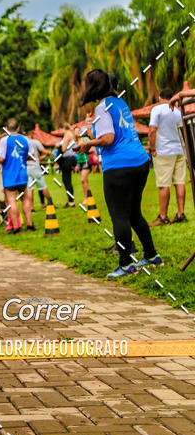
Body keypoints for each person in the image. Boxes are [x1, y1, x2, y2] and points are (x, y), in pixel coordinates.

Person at [78, 69, 162, 279]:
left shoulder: (102, 107)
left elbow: (108, 138)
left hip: (119, 166)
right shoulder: (120, 103)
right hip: (140, 162)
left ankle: (125, 264)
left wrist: (89, 144)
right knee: (134, 214)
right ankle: (151, 255)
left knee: (120, 217)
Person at [149, 88, 187, 226]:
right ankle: (180, 213)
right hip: (179, 149)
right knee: (180, 182)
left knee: (164, 184)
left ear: (160, 98)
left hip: (163, 151)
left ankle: (163, 217)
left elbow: (152, 130)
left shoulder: (157, 110)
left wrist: (152, 148)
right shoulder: (177, 111)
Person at [0, 119, 34, 232]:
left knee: (12, 200)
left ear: (6, 129)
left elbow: (1, 158)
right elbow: (31, 156)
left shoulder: (4, 140)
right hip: (22, 173)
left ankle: (16, 227)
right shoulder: (26, 139)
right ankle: (29, 225)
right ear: (18, 128)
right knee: (25, 199)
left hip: (9, 175)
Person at [26, 136, 51, 210]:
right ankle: (50, 203)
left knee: (29, 189)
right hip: (36, 168)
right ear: (31, 133)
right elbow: (43, 151)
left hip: (27, 168)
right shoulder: (35, 142)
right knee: (43, 186)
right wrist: (49, 152)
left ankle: (31, 207)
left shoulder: (22, 143)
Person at [58, 123, 77, 208]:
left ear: (63, 128)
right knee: (68, 180)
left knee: (66, 180)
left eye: (60, 129)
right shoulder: (72, 134)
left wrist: (59, 146)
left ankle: (71, 202)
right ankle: (70, 201)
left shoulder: (67, 134)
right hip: (72, 158)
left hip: (67, 159)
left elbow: (63, 149)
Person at [75, 127, 91, 205]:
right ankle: (87, 198)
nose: (77, 133)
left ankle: (87, 198)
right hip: (79, 162)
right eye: (76, 131)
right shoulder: (77, 140)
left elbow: (92, 148)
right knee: (84, 181)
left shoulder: (85, 139)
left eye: (79, 131)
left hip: (85, 161)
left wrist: (85, 150)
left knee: (83, 180)